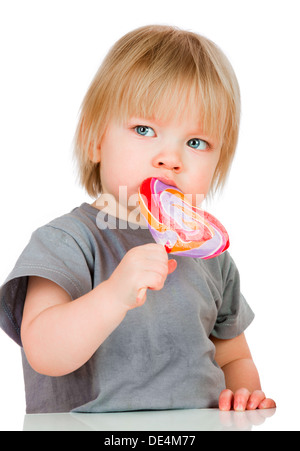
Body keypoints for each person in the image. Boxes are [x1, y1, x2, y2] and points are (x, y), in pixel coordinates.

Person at [0, 25, 276, 414]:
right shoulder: (66, 241)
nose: (170, 157)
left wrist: (245, 394)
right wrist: (114, 294)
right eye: (144, 129)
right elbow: (43, 350)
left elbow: (233, 358)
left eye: (196, 142)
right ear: (96, 140)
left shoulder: (210, 257)